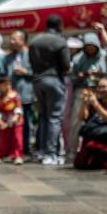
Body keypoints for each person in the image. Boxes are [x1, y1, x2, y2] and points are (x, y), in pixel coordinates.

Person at [29, 15, 71, 165]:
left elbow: (31, 63)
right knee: (54, 118)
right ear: (59, 25)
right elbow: (66, 65)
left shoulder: (34, 41)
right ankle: (50, 153)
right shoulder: (60, 41)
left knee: (44, 117)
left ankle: (42, 151)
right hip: (54, 80)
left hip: (37, 81)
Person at [67, 32, 106, 161]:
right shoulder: (78, 59)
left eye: (92, 46)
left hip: (102, 91)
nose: (90, 49)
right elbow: (72, 78)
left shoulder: (104, 56)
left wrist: (100, 75)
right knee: (77, 121)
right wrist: (80, 76)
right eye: (87, 46)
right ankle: (72, 151)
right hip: (84, 90)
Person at [3, 30, 33, 157]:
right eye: (11, 39)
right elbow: (4, 75)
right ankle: (12, 149)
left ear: (23, 40)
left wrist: (26, 72)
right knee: (10, 123)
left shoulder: (31, 55)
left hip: (26, 94)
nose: (12, 42)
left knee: (25, 123)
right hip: (11, 97)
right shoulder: (8, 58)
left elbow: (37, 73)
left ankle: (24, 148)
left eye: (15, 39)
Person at [74, 75, 107, 169]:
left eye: (104, 87)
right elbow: (82, 117)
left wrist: (96, 105)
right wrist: (84, 103)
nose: (101, 90)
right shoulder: (97, 100)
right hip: (95, 135)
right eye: (99, 87)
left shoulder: (97, 102)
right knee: (80, 163)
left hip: (104, 137)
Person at [0, 76, 24, 164]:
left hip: (16, 121)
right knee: (4, 139)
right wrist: (0, 121)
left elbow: (18, 108)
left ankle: (18, 156)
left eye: (7, 84)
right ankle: (1, 156)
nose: (6, 87)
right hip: (5, 121)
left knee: (17, 138)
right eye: (3, 85)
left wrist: (16, 117)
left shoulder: (15, 96)